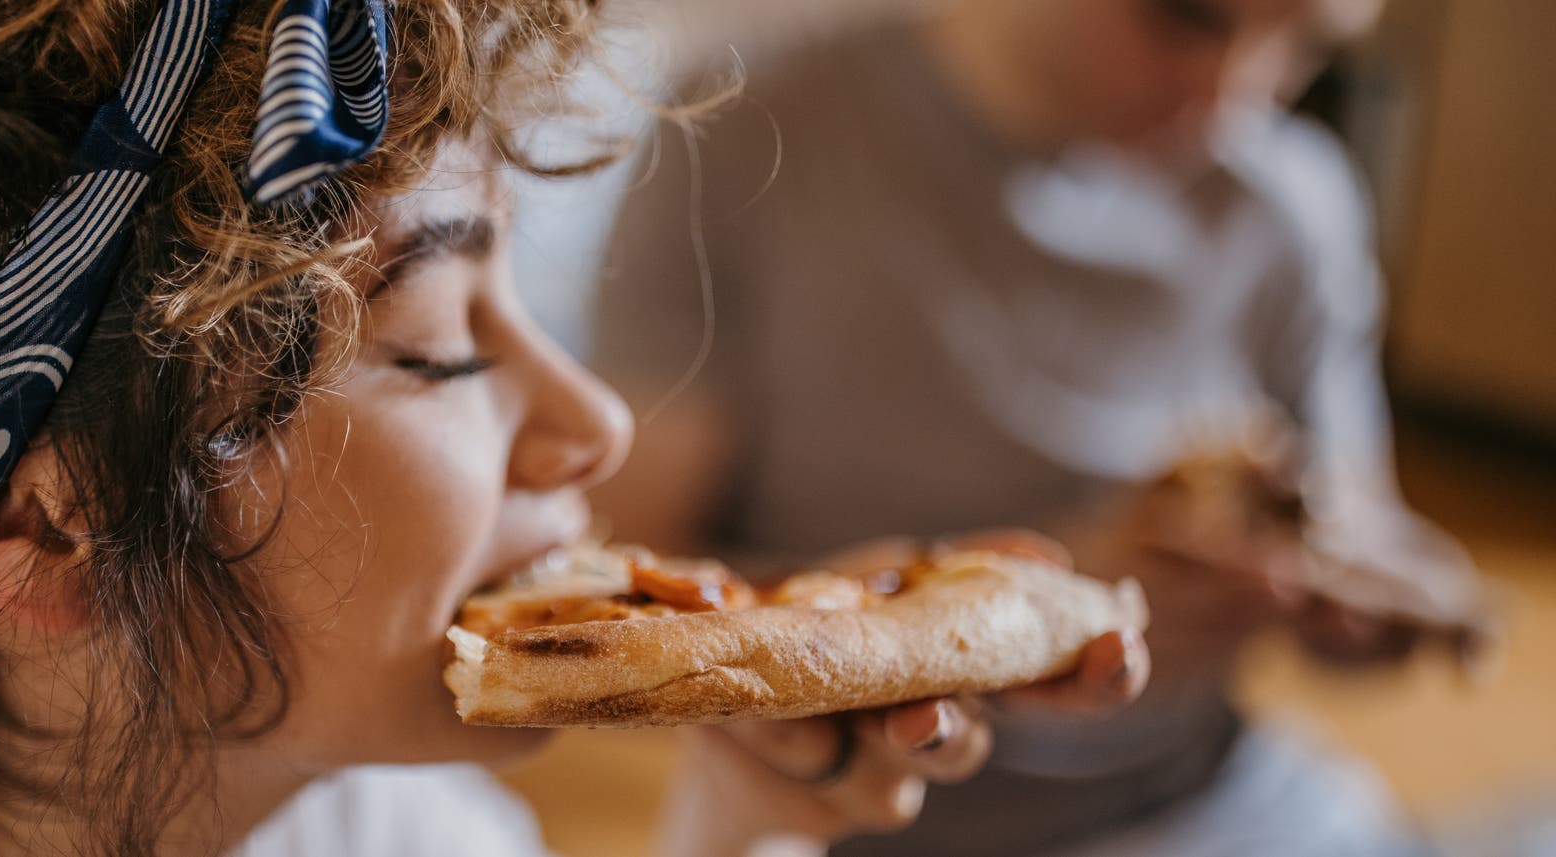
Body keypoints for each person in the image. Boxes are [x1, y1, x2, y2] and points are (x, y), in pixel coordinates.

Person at [0, 1, 1147, 855]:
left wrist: (746, 818)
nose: (590, 421)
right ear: (38, 519)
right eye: (445, 347)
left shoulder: (345, 805)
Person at [591, 0, 1488, 854]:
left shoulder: (1294, 198)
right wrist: (1011, 613)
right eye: (1188, 16)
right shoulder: (751, 127)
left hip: (1219, 792)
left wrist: (1365, 603)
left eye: (1308, 43)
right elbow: (638, 593)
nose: (1234, 100)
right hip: (861, 817)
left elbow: (1358, 532)